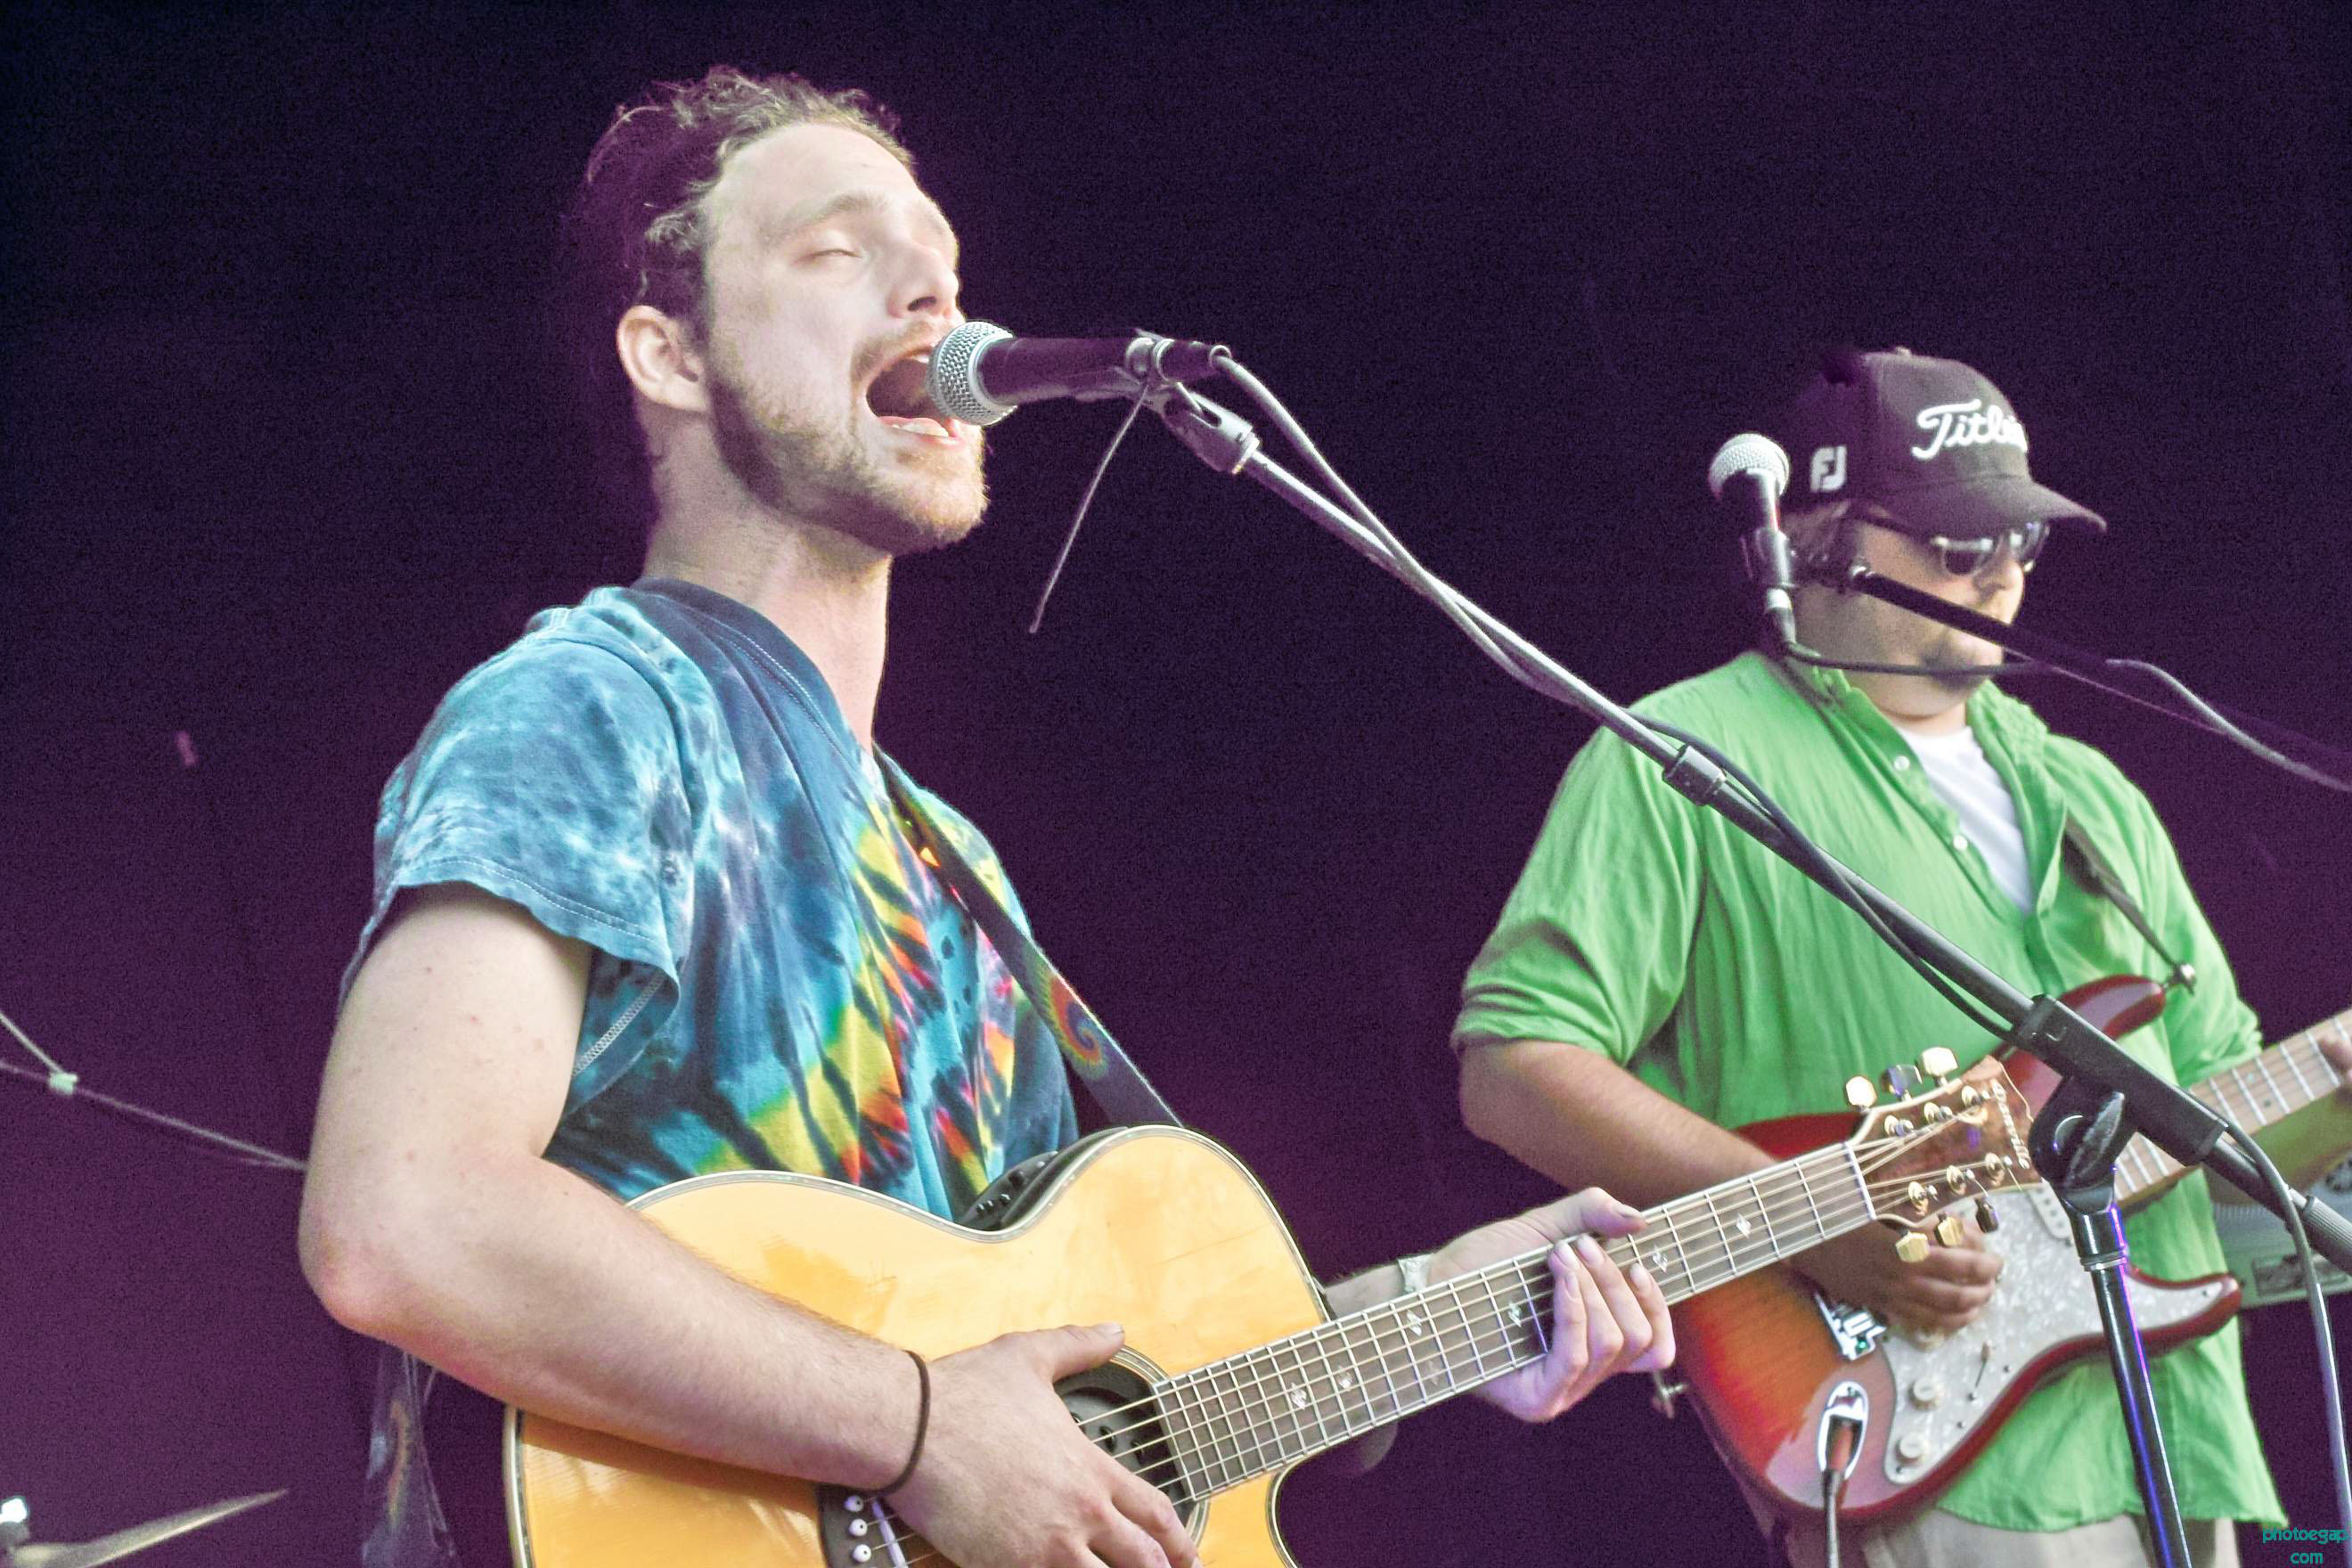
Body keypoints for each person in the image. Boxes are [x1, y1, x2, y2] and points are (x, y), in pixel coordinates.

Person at [296, 65, 1675, 1568]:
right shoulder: (597, 706)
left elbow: (1073, 1399)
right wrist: (912, 1427)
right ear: (670, 357)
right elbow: (403, 1219)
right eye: (838, 253)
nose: (932, 297)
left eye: (941, 265)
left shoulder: (949, 860)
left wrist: (1439, 1313)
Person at [1452, 347, 2350, 1568]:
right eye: (1955, 544)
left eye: (2018, 542)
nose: (1998, 575)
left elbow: (2222, 1136)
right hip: (1930, 1435)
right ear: (1814, 542)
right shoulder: (1682, 756)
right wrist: (1815, 1221)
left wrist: (2340, 1097)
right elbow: (1514, 1067)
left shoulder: (2092, 794)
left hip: (2183, 1444)